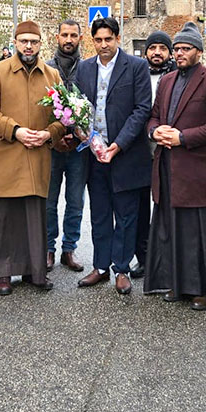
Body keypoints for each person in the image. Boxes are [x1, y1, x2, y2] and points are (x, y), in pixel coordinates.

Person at [143, 25, 206, 310]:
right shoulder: (167, 80)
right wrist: (154, 132)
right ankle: (177, 285)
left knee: (200, 233)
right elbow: (154, 116)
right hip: (167, 165)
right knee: (172, 227)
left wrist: (183, 137)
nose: (180, 53)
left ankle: (205, 291)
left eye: (186, 49)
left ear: (199, 52)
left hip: (197, 169)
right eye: (177, 49)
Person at [0, 20, 67, 295]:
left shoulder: (52, 75)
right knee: (4, 216)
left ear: (41, 44)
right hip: (7, 153)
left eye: (34, 41)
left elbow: (64, 116)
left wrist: (48, 134)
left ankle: (33, 271)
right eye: (24, 41)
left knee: (34, 215)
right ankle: (2, 273)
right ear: (15, 43)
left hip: (37, 155)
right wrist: (15, 131)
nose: (29, 46)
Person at [73, 17, 151, 294]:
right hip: (94, 156)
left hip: (125, 154)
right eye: (98, 40)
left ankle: (122, 269)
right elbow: (77, 108)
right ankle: (101, 267)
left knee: (127, 215)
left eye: (108, 39)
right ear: (92, 41)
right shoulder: (83, 69)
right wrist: (83, 134)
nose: (103, 45)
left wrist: (117, 145)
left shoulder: (137, 67)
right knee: (100, 213)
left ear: (117, 38)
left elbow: (142, 110)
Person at [45, 19, 87, 273]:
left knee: (75, 201)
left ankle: (69, 249)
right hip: (51, 145)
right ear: (57, 37)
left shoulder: (88, 68)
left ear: (80, 39)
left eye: (73, 35)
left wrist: (80, 133)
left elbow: (92, 104)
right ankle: (48, 248)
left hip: (79, 148)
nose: (68, 40)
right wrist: (54, 135)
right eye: (64, 35)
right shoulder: (46, 69)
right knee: (48, 201)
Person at [132, 30, 175, 280]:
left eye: (162, 48)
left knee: (166, 206)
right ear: (146, 51)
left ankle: (167, 259)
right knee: (139, 208)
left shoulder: (175, 76)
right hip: (139, 150)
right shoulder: (137, 73)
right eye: (152, 48)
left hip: (166, 150)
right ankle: (144, 258)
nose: (157, 52)